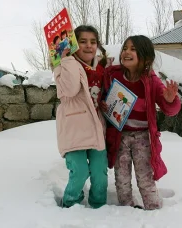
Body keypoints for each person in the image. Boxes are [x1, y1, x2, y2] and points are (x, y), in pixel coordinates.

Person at [102, 35, 181, 210]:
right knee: (121, 176)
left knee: (145, 176)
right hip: (119, 135)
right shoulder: (114, 75)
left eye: (133, 49)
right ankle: (127, 209)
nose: (126, 52)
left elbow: (170, 110)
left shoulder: (151, 81)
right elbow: (103, 94)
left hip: (143, 137)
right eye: (125, 48)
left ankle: (153, 208)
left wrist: (169, 99)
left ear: (145, 58)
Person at [53, 25, 108, 209]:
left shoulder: (100, 67)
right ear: (74, 44)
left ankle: (99, 206)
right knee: (80, 171)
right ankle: (71, 202)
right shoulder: (63, 65)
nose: (88, 46)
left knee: (100, 172)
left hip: (95, 126)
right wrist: (67, 60)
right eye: (83, 41)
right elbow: (70, 89)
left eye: (93, 42)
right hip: (74, 128)